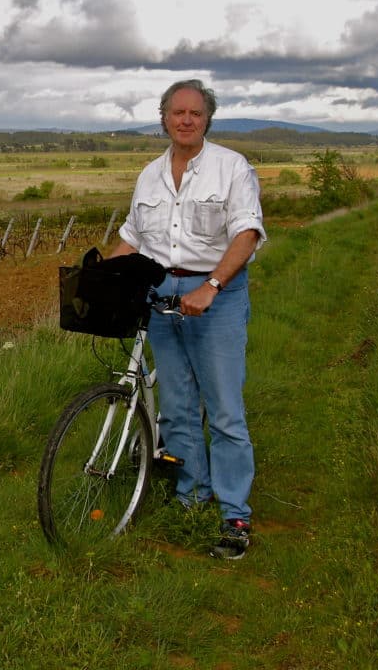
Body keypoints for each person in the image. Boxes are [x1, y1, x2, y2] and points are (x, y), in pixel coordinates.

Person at [109, 79, 266, 560]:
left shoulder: (231, 168)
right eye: (177, 112)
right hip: (161, 293)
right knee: (176, 407)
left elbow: (247, 233)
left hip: (214, 296)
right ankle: (191, 497)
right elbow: (133, 238)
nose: (185, 120)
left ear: (207, 119)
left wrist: (211, 286)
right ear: (163, 118)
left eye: (195, 113)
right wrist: (98, 279)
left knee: (223, 411)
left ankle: (234, 514)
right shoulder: (149, 175)